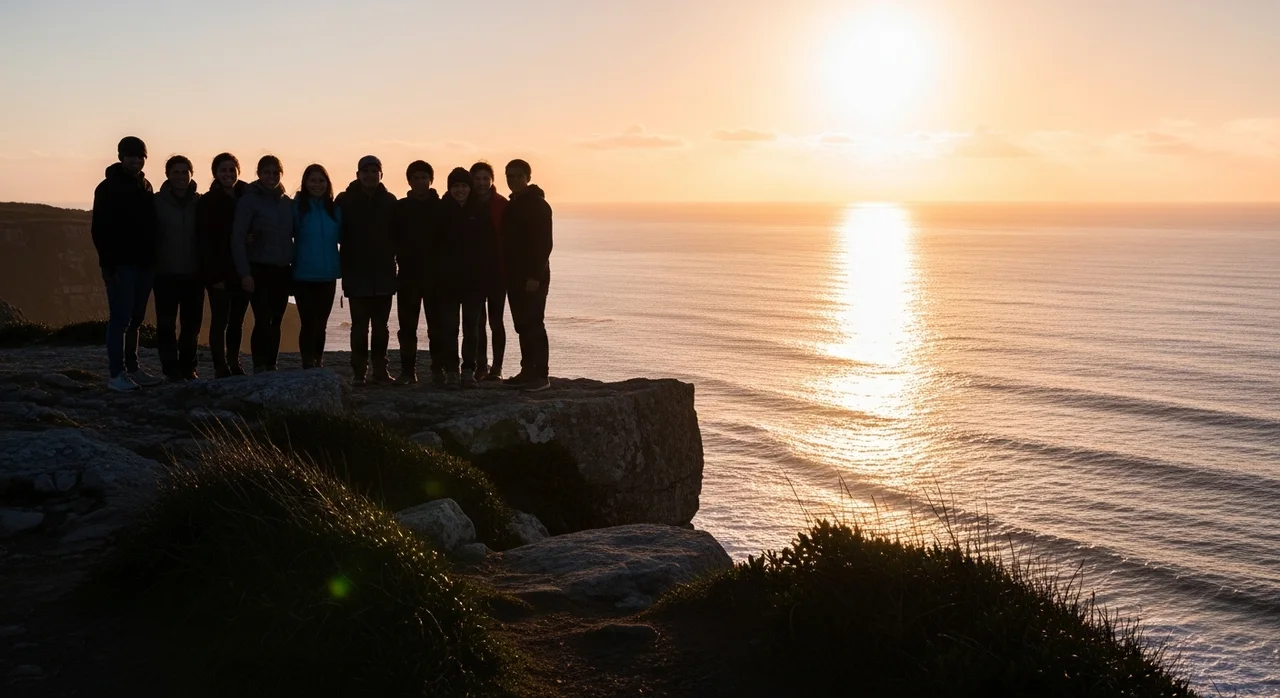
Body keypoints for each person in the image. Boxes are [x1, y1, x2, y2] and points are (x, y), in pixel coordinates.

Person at [91, 136, 163, 391]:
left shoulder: (146, 186)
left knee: (136, 319)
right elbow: (99, 229)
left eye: (140, 155)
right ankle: (116, 375)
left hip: (145, 263)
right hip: (121, 264)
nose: (135, 160)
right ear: (121, 157)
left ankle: (132, 369)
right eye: (130, 155)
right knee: (120, 318)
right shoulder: (108, 187)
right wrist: (107, 265)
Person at [337, 155, 399, 386]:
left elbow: (398, 235)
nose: (370, 175)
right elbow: (337, 231)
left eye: (375, 171)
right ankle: (359, 372)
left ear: (381, 174)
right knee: (359, 326)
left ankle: (380, 371)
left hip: (383, 273)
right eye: (366, 171)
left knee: (381, 327)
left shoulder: (390, 201)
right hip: (356, 272)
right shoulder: (345, 200)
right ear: (358, 175)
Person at [232, 155, 294, 373]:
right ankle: (259, 366)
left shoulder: (287, 202)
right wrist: (245, 273)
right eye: (267, 172)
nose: (271, 177)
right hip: (259, 269)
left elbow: (294, 237)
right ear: (258, 174)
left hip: (282, 270)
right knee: (262, 319)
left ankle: (272, 364)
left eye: (275, 172)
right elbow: (238, 238)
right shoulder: (249, 200)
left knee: (276, 319)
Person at [433, 167, 488, 389]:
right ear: (450, 188)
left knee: (471, 329)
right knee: (450, 327)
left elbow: (488, 247)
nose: (460, 190)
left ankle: (468, 370)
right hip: (448, 281)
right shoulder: (441, 210)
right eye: (456, 186)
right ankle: (452, 371)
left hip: (474, 281)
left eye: (464, 185)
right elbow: (433, 246)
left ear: (469, 187)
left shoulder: (479, 210)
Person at [500, 159, 553, 392]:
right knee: (521, 324)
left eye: (518, 176)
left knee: (534, 323)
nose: (513, 180)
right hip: (514, 275)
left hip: (533, 276)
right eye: (509, 176)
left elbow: (544, 244)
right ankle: (527, 370)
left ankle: (541, 375)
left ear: (528, 177)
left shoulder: (539, 205)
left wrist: (534, 275)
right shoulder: (513, 205)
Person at [196, 153, 250, 377]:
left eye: (231, 170)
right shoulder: (208, 202)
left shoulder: (247, 197)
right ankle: (220, 366)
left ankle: (234, 362)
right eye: (223, 170)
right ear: (215, 174)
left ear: (238, 171)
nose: (228, 174)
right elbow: (204, 241)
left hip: (242, 270)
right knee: (220, 321)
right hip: (218, 271)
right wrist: (213, 276)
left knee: (237, 321)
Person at [152, 155, 204, 381]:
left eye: (185, 172)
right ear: (167, 175)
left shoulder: (201, 202)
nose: (180, 177)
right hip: (165, 273)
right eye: (176, 172)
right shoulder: (156, 202)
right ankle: (170, 369)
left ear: (191, 175)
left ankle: (188, 367)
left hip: (194, 274)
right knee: (166, 325)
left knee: (191, 326)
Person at [394, 160, 440, 386]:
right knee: (407, 328)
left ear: (431, 180)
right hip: (408, 276)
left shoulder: (441, 207)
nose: (420, 181)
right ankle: (407, 371)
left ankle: (437, 371)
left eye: (424, 177)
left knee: (437, 327)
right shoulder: (400, 208)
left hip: (435, 277)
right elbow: (391, 239)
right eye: (415, 177)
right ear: (409, 181)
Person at [292, 164, 342, 369]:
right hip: (303, 274)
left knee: (321, 324)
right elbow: (285, 235)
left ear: (327, 183)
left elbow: (344, 237)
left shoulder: (334, 209)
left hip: (328, 274)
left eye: (321, 180)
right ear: (305, 183)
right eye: (312, 180)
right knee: (308, 322)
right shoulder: (297, 207)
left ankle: (318, 361)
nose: (317, 184)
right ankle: (307, 361)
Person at [469, 161, 508, 381]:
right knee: (477, 322)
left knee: (496, 321)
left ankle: (497, 368)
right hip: (474, 273)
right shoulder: (467, 202)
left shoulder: (501, 204)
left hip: (497, 273)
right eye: (478, 178)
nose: (482, 183)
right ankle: (480, 366)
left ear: (492, 180)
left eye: (486, 178)